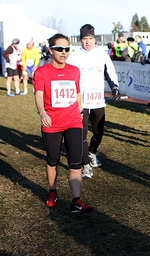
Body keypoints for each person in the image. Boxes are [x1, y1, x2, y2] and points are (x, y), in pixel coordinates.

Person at [32, 33, 93, 213]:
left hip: (73, 121)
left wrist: (80, 108)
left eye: (67, 48)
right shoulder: (42, 72)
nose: (64, 52)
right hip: (52, 123)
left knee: (75, 162)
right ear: (51, 50)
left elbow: (77, 91)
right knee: (53, 160)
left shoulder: (74, 70)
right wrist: (42, 112)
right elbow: (39, 95)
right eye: (60, 48)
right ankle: (52, 192)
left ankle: (76, 201)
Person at [67, 24, 121, 179]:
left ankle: (92, 152)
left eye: (90, 39)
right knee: (81, 133)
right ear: (80, 40)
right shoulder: (74, 56)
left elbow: (110, 72)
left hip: (97, 101)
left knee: (98, 132)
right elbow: (68, 76)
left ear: (95, 39)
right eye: (85, 39)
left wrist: (115, 87)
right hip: (80, 102)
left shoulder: (102, 54)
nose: (88, 42)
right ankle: (85, 165)